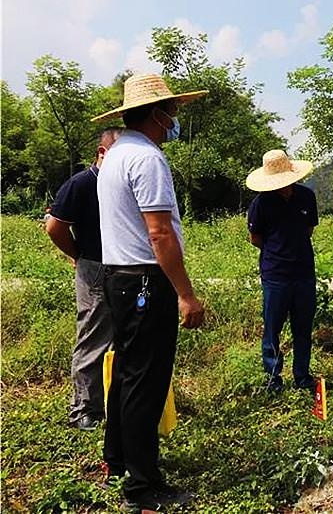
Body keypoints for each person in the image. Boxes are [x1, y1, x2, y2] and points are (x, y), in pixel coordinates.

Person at [91, 74, 207, 512]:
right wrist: (185, 294)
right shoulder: (147, 159)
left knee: (126, 372)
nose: (174, 119)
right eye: (172, 112)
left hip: (118, 278)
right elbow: (159, 234)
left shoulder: (116, 155)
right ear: (157, 115)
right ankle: (142, 486)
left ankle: (117, 459)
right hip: (144, 280)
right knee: (146, 381)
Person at [45, 127, 122, 431]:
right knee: (93, 337)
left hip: (123, 268)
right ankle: (84, 409)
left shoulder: (119, 185)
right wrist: (78, 255)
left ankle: (112, 399)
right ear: (102, 153)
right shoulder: (82, 183)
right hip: (94, 267)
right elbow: (55, 227)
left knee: (120, 336)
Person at [245, 149, 318, 393]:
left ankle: (302, 376)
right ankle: (273, 377)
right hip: (275, 275)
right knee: (272, 327)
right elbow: (256, 238)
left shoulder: (307, 197)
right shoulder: (260, 203)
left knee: (303, 327)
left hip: (304, 273)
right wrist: (278, 251)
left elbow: (309, 230)